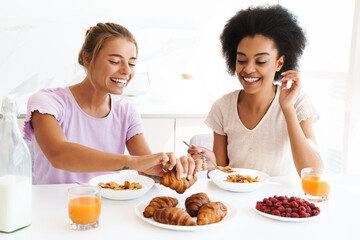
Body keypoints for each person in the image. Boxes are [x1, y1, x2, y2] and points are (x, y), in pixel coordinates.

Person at [24, 22, 202, 184]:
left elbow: (150, 170)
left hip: (105, 206)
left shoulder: (126, 112)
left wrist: (177, 168)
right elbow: (59, 155)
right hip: (49, 208)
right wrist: (132, 163)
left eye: (131, 64)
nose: (126, 71)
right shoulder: (47, 103)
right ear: (87, 59)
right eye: (115, 61)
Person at [188, 5, 323, 176]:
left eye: (260, 62)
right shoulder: (222, 107)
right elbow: (221, 172)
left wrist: (288, 109)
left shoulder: (298, 102)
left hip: (280, 201)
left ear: (279, 63)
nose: (248, 69)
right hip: (236, 199)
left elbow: (314, 173)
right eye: (242, 60)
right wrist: (211, 163)